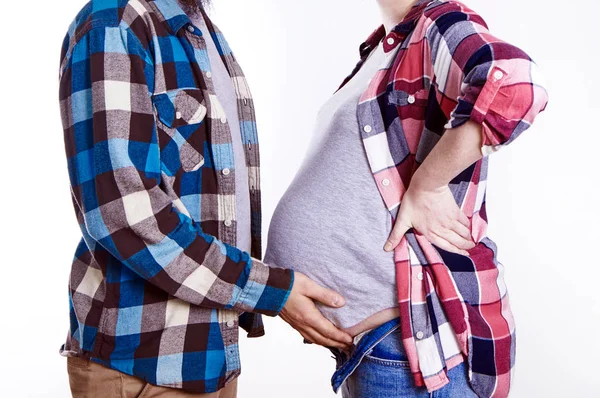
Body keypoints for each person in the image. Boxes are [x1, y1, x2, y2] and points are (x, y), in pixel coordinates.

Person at [57, 0, 353, 396]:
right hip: (141, 367)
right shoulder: (114, 23)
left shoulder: (201, 29)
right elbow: (125, 214)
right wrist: (269, 289)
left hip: (211, 354)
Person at [264, 0, 548, 397]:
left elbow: (516, 81)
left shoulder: (438, 20)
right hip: (380, 348)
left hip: (415, 345)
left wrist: (428, 185)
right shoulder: (383, 48)